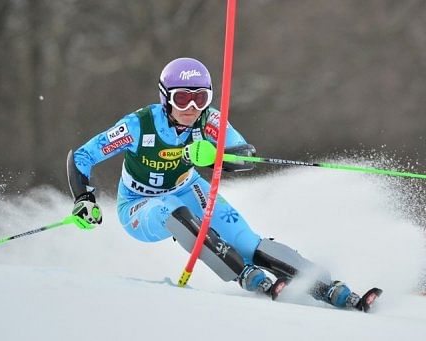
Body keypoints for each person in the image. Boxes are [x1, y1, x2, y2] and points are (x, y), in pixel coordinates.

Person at [66, 57, 378, 311]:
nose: (192, 107)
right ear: (166, 98)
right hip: (138, 205)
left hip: (188, 188)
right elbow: (82, 156)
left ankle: (328, 287)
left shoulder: (209, 120)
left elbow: (245, 156)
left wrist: (216, 157)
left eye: (200, 98)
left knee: (247, 242)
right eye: (183, 98)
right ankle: (243, 273)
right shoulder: (138, 125)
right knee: (174, 213)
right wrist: (84, 198)